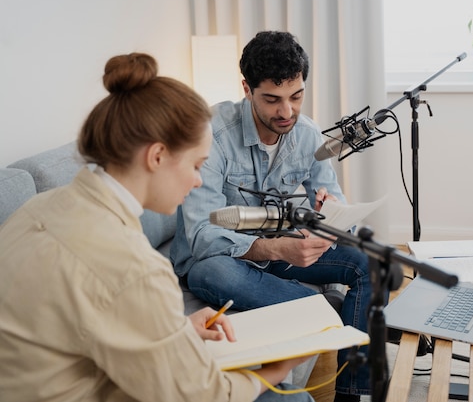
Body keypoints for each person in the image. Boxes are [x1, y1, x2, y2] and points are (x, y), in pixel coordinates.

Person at [0, 52, 314, 402]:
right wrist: (275, 370)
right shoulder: (136, 268)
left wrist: (176, 330)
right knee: (288, 396)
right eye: (196, 165)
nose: (198, 182)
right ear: (157, 156)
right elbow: (202, 395)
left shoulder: (37, 209)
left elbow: (86, 317)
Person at [170, 31, 375, 402]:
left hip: (282, 248)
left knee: (368, 264)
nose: (286, 112)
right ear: (247, 89)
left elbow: (336, 201)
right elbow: (201, 236)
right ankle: (318, 314)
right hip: (216, 260)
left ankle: (349, 393)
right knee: (214, 270)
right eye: (272, 100)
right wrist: (278, 249)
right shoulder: (211, 136)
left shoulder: (308, 133)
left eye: (296, 97)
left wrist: (329, 217)